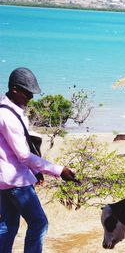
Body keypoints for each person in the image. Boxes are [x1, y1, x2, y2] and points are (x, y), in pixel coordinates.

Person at [0, 67, 80, 253]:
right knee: (39, 223)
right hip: (16, 181)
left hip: (4, 181)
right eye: (27, 92)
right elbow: (23, 155)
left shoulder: (7, 110)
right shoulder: (8, 116)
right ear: (14, 90)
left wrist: (36, 171)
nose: (31, 97)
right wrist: (59, 170)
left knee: (7, 225)